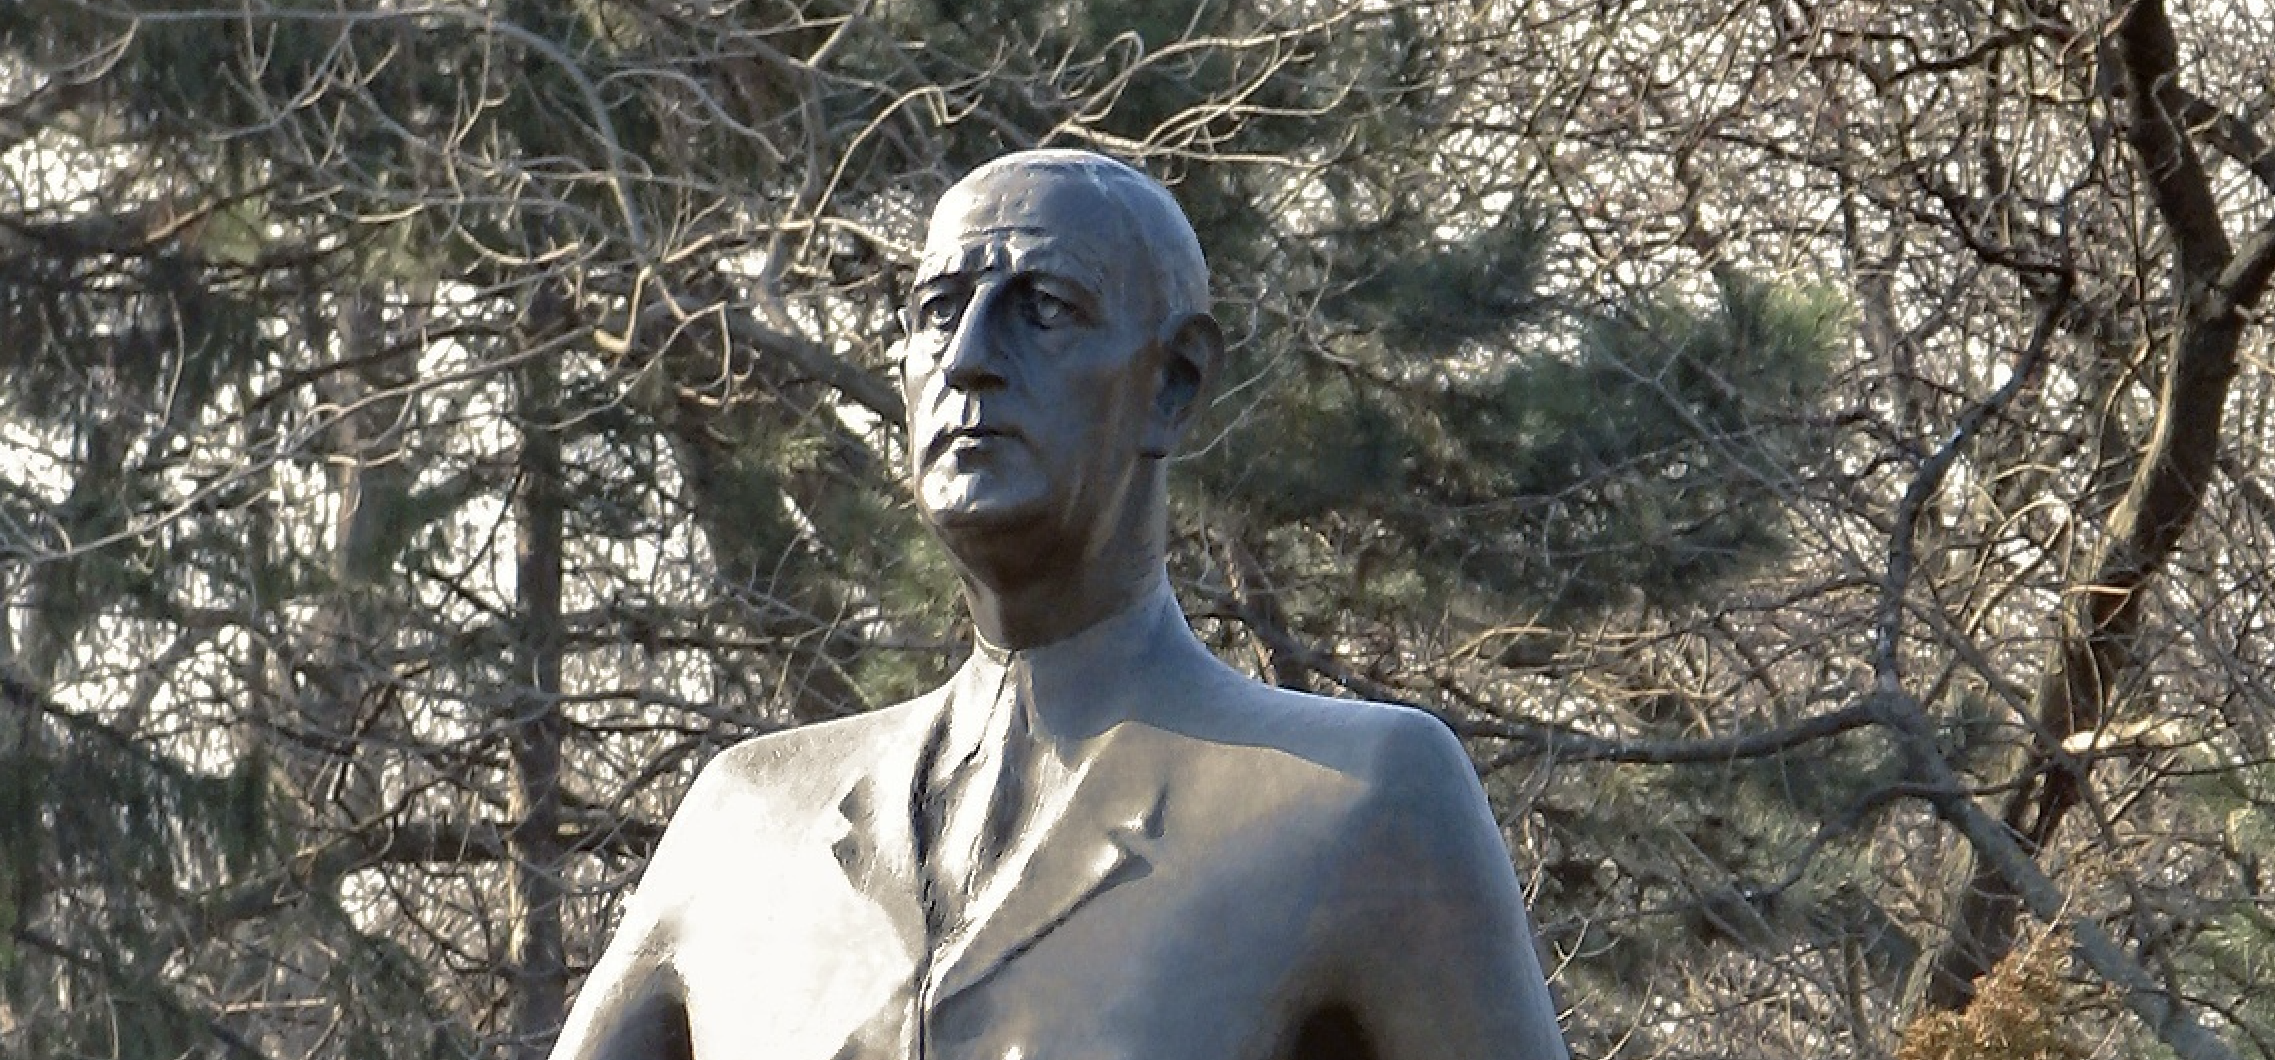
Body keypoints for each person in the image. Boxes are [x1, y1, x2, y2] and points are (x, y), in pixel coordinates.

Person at [550, 149, 1568, 1060]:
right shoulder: (746, 821)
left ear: (1173, 381)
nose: (967, 358)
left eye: (1042, 307)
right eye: (936, 310)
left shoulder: (1354, 797)